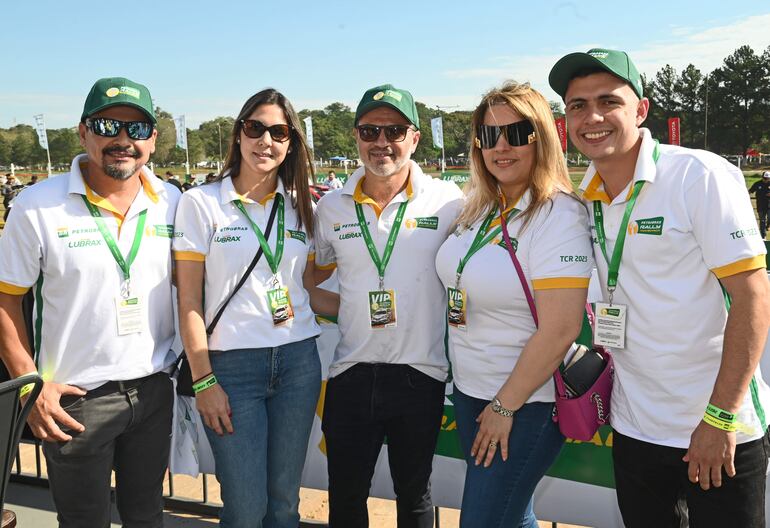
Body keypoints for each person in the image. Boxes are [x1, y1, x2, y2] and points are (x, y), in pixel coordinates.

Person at [549, 48, 770, 527]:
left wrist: (720, 418)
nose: (593, 117)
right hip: (635, 429)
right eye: (578, 105)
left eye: (608, 101)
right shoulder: (582, 195)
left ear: (641, 109)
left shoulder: (698, 175)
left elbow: (753, 297)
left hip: (716, 430)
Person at [0, 77, 179, 526]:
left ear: (153, 140)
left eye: (137, 130)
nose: (123, 141)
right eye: (107, 125)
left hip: (154, 389)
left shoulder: (173, 202)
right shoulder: (37, 205)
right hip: (74, 401)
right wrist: (29, 385)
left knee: (147, 516)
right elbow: (5, 302)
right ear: (83, 132)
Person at [174, 88, 337, 528]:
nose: (266, 141)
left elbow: (305, 283)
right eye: (256, 128)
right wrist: (204, 378)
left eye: (278, 132)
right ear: (239, 134)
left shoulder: (305, 206)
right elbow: (188, 301)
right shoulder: (201, 203)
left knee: (284, 503)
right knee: (245, 509)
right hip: (231, 368)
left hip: (299, 362)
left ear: (291, 144)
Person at [435, 81, 592, 527]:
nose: (500, 146)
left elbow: (561, 328)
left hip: (525, 403)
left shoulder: (558, 215)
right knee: (512, 514)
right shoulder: (481, 207)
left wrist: (506, 407)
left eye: (516, 133)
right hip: (471, 391)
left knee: (484, 520)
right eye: (488, 136)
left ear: (541, 137)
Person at [314, 84, 464, 527]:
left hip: (420, 374)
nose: (382, 142)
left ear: (415, 138)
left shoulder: (449, 201)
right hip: (350, 372)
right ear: (356, 137)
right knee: (345, 497)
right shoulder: (331, 207)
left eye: (395, 131)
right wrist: (349, 307)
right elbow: (307, 280)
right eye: (370, 131)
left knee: (415, 497)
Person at [748, 171, 770, 239]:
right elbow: (750, 191)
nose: (766, 180)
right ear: (762, 177)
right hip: (760, 205)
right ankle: (763, 236)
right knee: (762, 220)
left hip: (769, 205)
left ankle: (768, 226)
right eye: (765, 178)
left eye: (767, 178)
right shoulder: (757, 184)